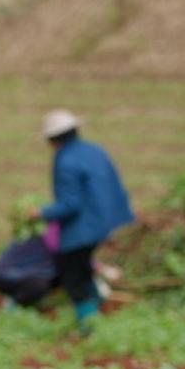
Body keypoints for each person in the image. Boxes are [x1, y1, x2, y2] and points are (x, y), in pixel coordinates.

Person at [30, 110, 135, 334]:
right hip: (107, 221)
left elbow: (70, 204)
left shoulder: (65, 160)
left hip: (83, 227)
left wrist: (41, 213)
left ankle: (89, 327)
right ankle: (97, 309)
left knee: (71, 275)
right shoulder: (94, 150)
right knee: (83, 265)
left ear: (52, 140)